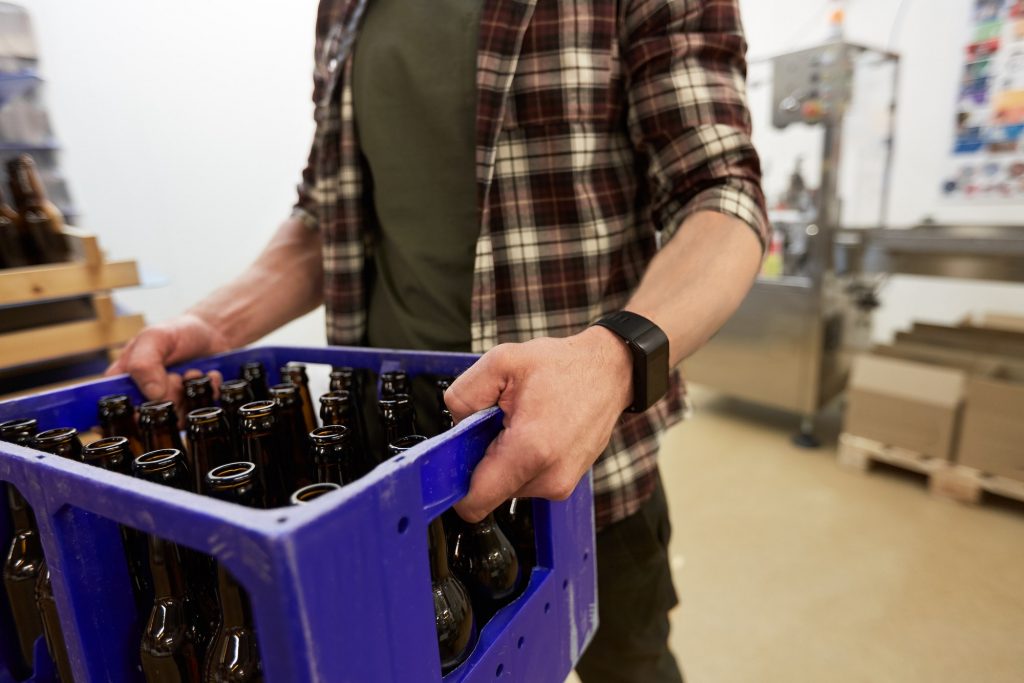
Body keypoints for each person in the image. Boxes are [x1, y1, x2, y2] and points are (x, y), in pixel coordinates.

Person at [109, 0, 768, 680]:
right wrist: (215, 324)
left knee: (631, 664)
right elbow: (326, 212)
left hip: (583, 467)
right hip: (394, 473)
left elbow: (720, 194)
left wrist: (611, 358)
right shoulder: (343, 12)